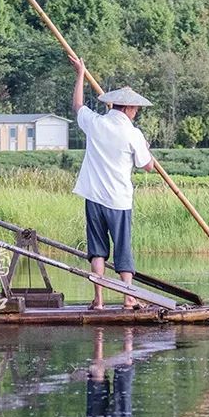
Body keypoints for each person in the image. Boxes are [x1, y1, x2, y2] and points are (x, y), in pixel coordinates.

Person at [70, 56, 154, 309]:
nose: (136, 113)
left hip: (94, 197)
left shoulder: (96, 123)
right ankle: (129, 297)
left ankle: (99, 299)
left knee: (97, 250)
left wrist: (81, 74)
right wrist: (147, 149)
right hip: (118, 200)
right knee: (123, 249)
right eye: (135, 109)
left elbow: (77, 105)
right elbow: (147, 166)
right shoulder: (133, 133)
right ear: (127, 108)